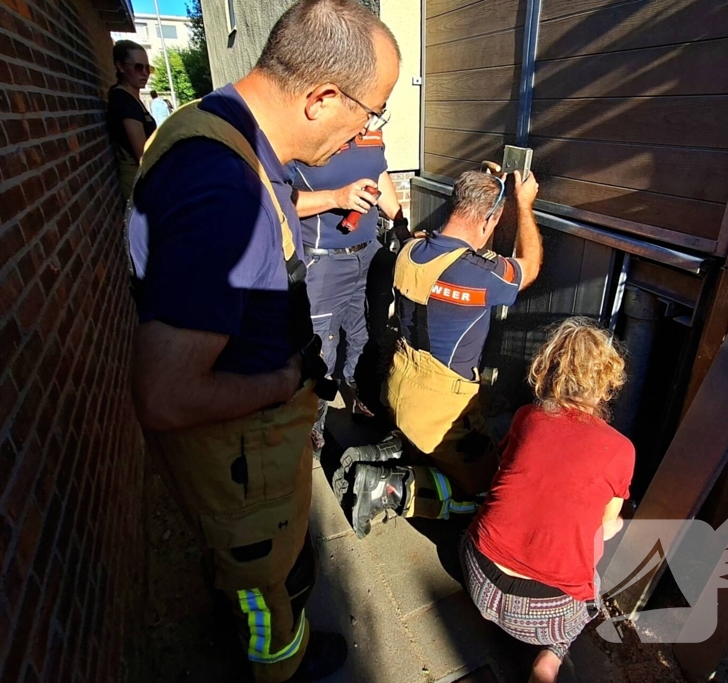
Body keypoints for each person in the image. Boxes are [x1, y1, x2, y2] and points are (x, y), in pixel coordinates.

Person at [128, 1, 400, 681]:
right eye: (372, 111)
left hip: (244, 467)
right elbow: (164, 394)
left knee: (266, 566)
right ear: (323, 98)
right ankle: (281, 665)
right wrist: (284, 382)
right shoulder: (226, 189)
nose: (368, 128)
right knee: (259, 589)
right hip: (237, 470)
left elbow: (256, 235)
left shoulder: (223, 131)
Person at [340, 167, 543, 537]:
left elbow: (443, 266)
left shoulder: (411, 249)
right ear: (487, 219)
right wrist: (524, 205)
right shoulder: (476, 272)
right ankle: (389, 488)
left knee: (426, 440)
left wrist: (485, 187)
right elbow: (528, 270)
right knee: (490, 495)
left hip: (400, 388)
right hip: (444, 414)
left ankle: (387, 452)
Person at [462, 317, 632, 683]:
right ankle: (550, 660)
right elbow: (605, 528)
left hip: (478, 578)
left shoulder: (527, 417)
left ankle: (490, 617)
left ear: (548, 371)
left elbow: (505, 474)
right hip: (545, 616)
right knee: (594, 579)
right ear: (606, 385)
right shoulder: (621, 450)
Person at [288, 130, 404, 450]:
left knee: (365, 333)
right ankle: (313, 417)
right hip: (323, 262)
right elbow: (279, 199)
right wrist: (336, 198)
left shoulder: (372, 132)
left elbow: (379, 171)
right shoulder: (303, 136)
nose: (373, 117)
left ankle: (359, 396)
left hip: (368, 253)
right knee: (319, 344)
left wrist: (400, 221)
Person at [107, 40, 157, 202]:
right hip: (138, 185)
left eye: (148, 68)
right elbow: (143, 153)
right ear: (120, 66)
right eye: (138, 67)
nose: (145, 73)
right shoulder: (123, 100)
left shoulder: (132, 98)